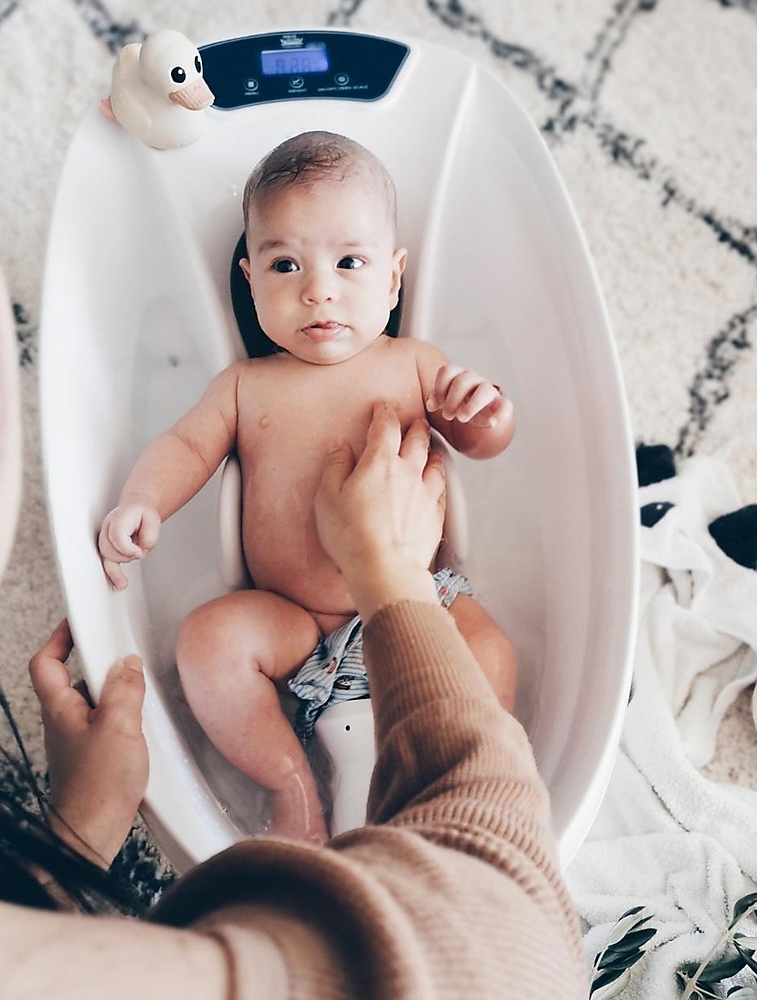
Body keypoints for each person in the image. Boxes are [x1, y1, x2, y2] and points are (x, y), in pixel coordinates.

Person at [98, 130, 519, 842]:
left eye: (349, 261)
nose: (318, 289)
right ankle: (291, 784)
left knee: (492, 652)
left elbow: (478, 443)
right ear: (251, 279)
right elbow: (185, 447)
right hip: (293, 623)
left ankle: (474, 769)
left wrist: (485, 414)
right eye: (285, 264)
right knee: (207, 642)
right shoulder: (245, 386)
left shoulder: (414, 364)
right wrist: (143, 501)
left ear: (393, 277)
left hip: (421, 601)